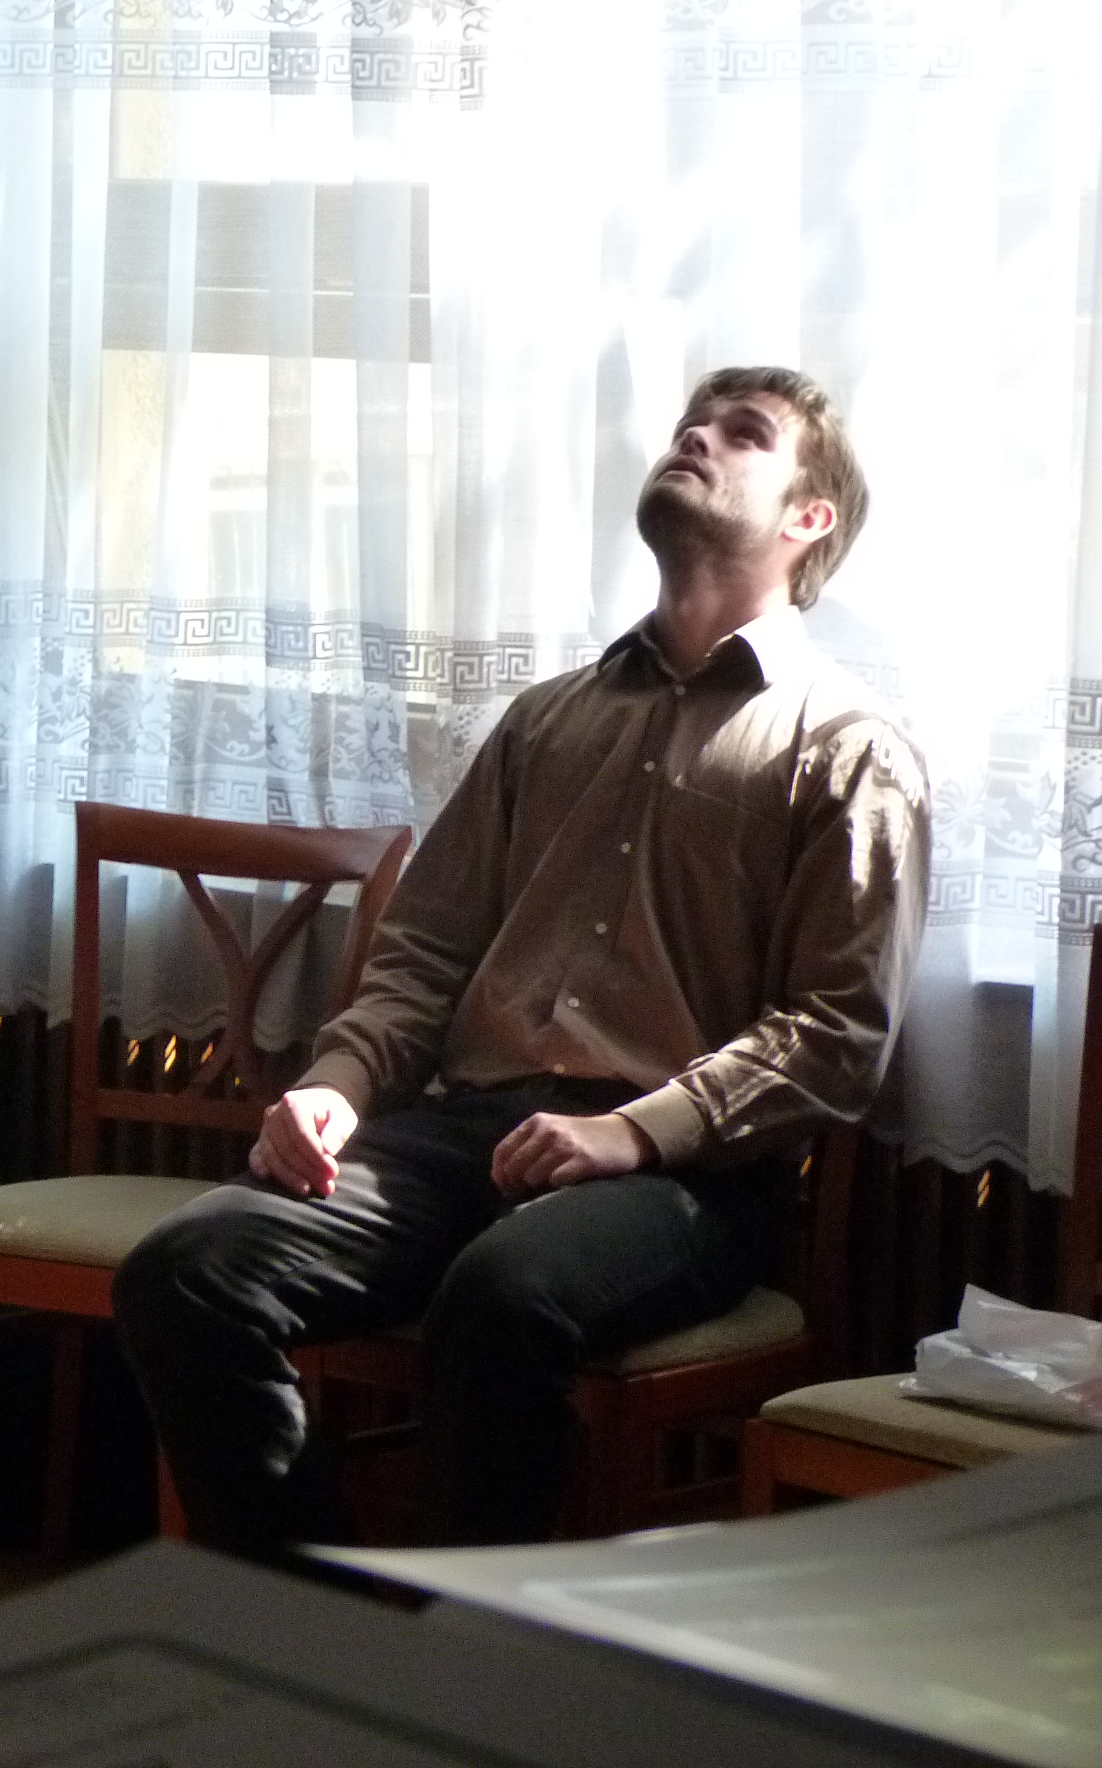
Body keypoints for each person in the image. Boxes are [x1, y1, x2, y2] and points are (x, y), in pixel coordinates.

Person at [113, 367, 930, 1556]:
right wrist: (337, 1086)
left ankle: (457, 1649)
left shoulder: (850, 749)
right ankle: (313, 1622)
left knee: (501, 1297)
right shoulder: (547, 719)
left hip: (683, 1178)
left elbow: (836, 1035)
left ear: (809, 519)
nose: (694, 438)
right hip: (467, 1132)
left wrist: (631, 1131)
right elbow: (426, 947)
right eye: (688, 425)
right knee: (185, 1270)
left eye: (741, 434)